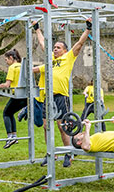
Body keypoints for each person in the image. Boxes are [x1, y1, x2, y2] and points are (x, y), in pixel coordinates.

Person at [31, 22, 90, 167]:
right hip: (47, 96)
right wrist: (37, 28)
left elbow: (80, 43)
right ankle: (50, 153)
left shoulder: (68, 58)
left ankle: (68, 153)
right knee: (46, 127)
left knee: (62, 127)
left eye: (58, 48)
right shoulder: (50, 59)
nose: (55, 49)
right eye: (55, 47)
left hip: (61, 97)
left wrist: (88, 29)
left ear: (64, 50)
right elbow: (42, 42)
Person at [0, 49, 25, 148]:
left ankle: (10, 137)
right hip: (26, 97)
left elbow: (7, 85)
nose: (6, 62)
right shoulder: (23, 66)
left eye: (6, 60)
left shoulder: (12, 67)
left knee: (6, 113)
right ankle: (14, 136)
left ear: (11, 58)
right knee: (10, 113)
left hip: (17, 95)